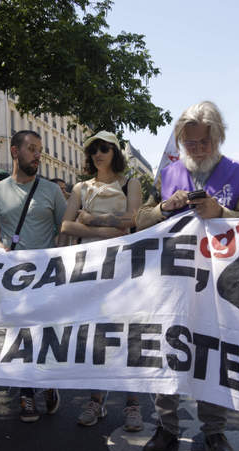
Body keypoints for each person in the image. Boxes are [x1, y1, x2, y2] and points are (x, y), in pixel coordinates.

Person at [136, 101, 239, 451]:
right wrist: (163, 208)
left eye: (204, 143)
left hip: (220, 286)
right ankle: (166, 425)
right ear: (180, 143)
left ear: (217, 138)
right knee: (167, 352)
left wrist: (222, 213)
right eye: (190, 145)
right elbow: (141, 220)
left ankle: (214, 429)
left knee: (212, 355)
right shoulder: (167, 175)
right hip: (171, 283)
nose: (198, 150)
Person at [58, 130, 143, 431]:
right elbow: (67, 224)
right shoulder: (81, 187)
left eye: (105, 148)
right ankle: (97, 399)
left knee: (129, 333)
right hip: (91, 269)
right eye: (94, 149)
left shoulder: (130, 183)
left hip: (124, 269)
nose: (99, 153)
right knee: (96, 334)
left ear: (115, 153)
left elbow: (133, 220)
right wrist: (105, 229)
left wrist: (91, 221)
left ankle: (133, 404)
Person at [0, 130, 67, 423]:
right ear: (15, 152)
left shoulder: (52, 191)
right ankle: (26, 393)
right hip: (13, 277)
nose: (37, 154)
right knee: (19, 335)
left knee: (43, 333)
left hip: (46, 278)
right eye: (31, 148)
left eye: (39, 149)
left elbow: (65, 230)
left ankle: (47, 382)